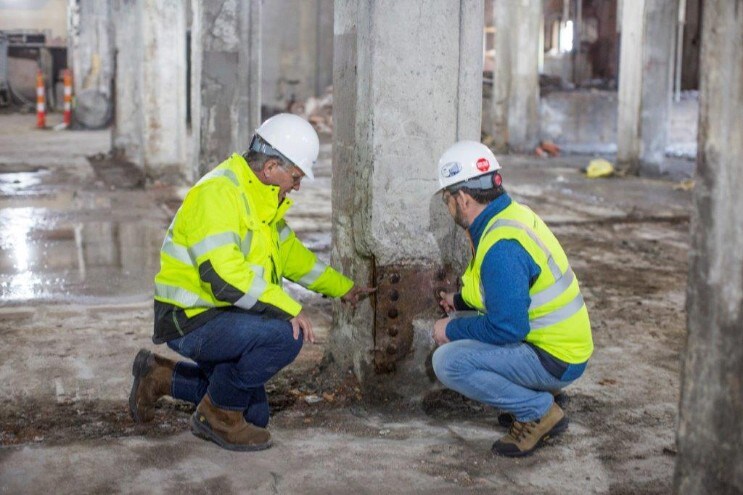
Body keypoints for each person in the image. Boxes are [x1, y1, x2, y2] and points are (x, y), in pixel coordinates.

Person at [128, 113, 374, 451]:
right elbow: (222, 276)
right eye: (296, 175)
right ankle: (215, 416)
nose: (298, 185)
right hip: (189, 318)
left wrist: (342, 288)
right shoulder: (218, 193)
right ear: (272, 167)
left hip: (224, 316)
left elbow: (293, 258)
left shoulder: (262, 198)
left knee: (255, 415)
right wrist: (289, 307)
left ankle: (159, 376)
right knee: (285, 336)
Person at [431, 140, 593, 457]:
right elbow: (499, 289)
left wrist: (448, 330)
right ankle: (533, 393)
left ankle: (538, 411)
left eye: (447, 200)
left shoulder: (501, 246)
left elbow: (508, 329)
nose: (447, 207)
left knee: (447, 362)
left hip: (555, 358)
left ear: (462, 199)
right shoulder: (509, 217)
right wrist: (459, 301)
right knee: (467, 326)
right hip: (562, 345)